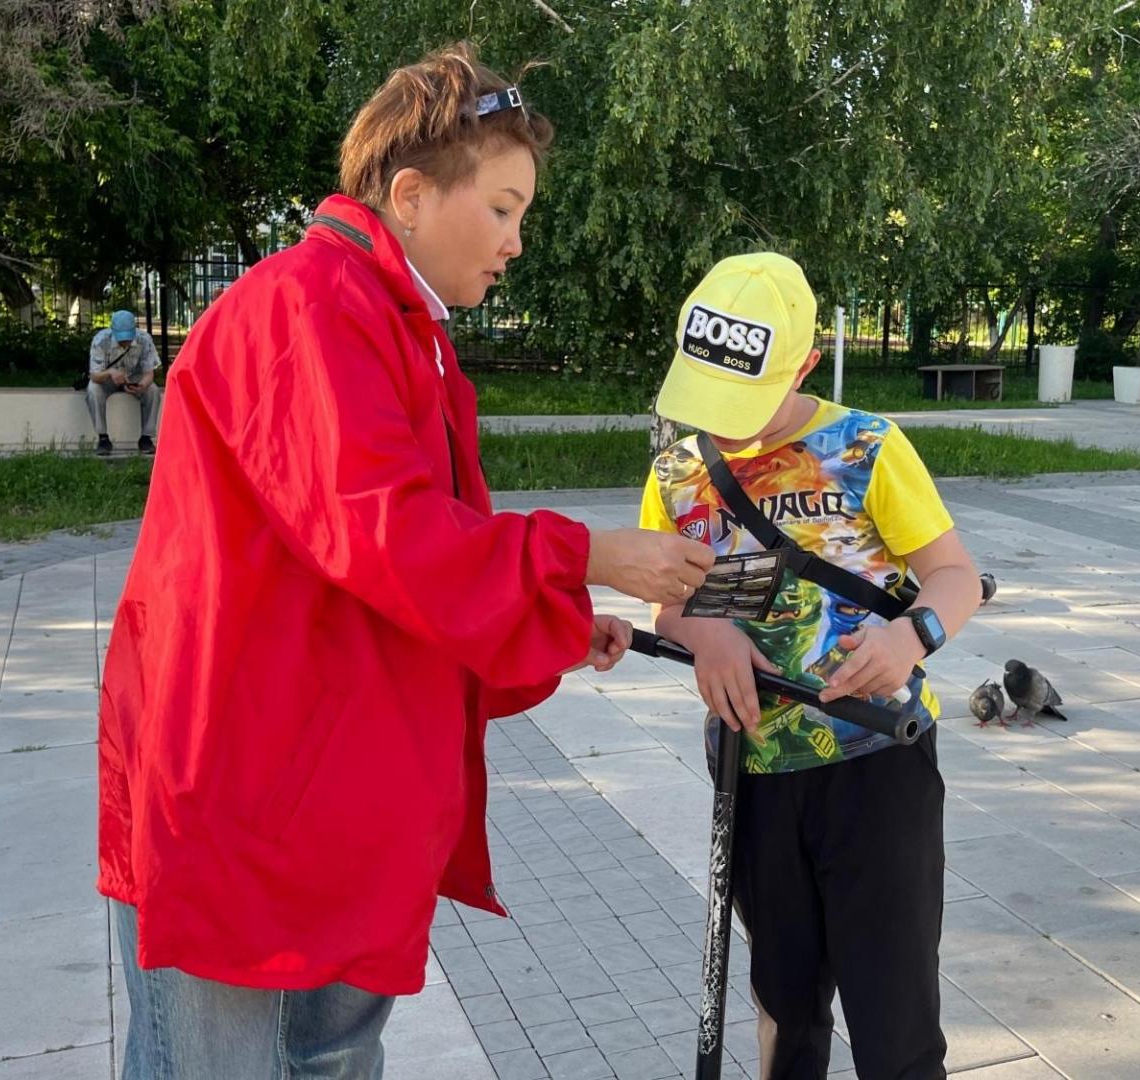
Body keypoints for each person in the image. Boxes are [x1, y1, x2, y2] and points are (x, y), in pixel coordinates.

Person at [97, 43, 714, 1078]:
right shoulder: (304, 309)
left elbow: (407, 558)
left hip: (326, 781)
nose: (517, 241)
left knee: (329, 1057)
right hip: (236, 782)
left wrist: (556, 607)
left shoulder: (397, 324)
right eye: (505, 208)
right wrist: (587, 556)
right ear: (414, 194)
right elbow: (385, 532)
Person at [639, 253, 981, 1080]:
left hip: (876, 765)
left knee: (893, 1017)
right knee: (787, 1006)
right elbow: (669, 602)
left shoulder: (865, 445)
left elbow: (956, 576)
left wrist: (909, 637)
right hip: (752, 772)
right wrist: (704, 634)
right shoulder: (678, 472)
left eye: (744, 400)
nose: (724, 423)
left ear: (804, 365)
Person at [86, 309, 161, 455]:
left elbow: (149, 373)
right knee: (93, 389)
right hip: (107, 378)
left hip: (133, 377)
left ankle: (146, 438)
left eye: (127, 337)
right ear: (112, 331)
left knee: (153, 390)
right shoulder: (100, 340)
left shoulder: (144, 339)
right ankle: (103, 438)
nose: (125, 341)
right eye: (121, 337)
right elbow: (94, 375)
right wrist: (110, 373)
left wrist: (142, 385)